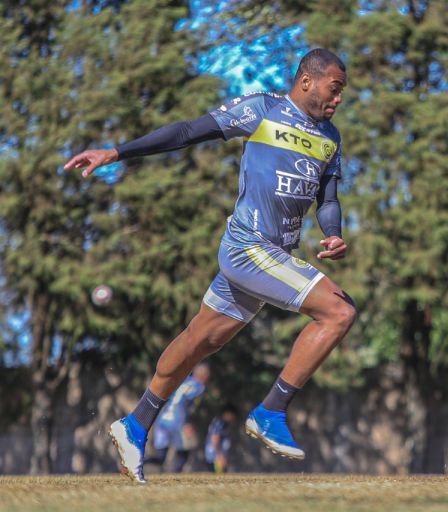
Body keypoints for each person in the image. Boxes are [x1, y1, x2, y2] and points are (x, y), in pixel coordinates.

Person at [65, 48, 355, 484]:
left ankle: (135, 424)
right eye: (334, 89)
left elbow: (327, 199)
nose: (337, 100)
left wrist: (332, 232)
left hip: (273, 257)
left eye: (342, 93)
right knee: (339, 311)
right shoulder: (263, 108)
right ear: (307, 80)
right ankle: (272, 409)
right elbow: (186, 132)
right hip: (248, 247)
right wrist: (117, 152)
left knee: (200, 340)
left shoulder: (330, 137)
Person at [144, 363, 210, 473]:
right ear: (203, 375)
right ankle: (175, 474)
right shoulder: (199, 386)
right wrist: (187, 423)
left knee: (161, 457)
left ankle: (139, 462)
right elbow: (185, 405)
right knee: (184, 452)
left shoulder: (182, 381)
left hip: (163, 420)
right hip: (178, 421)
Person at [205, 404, 238, 473]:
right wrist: (219, 456)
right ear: (227, 413)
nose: (233, 418)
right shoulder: (219, 423)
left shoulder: (224, 423)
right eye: (233, 415)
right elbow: (215, 438)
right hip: (215, 458)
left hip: (217, 457)